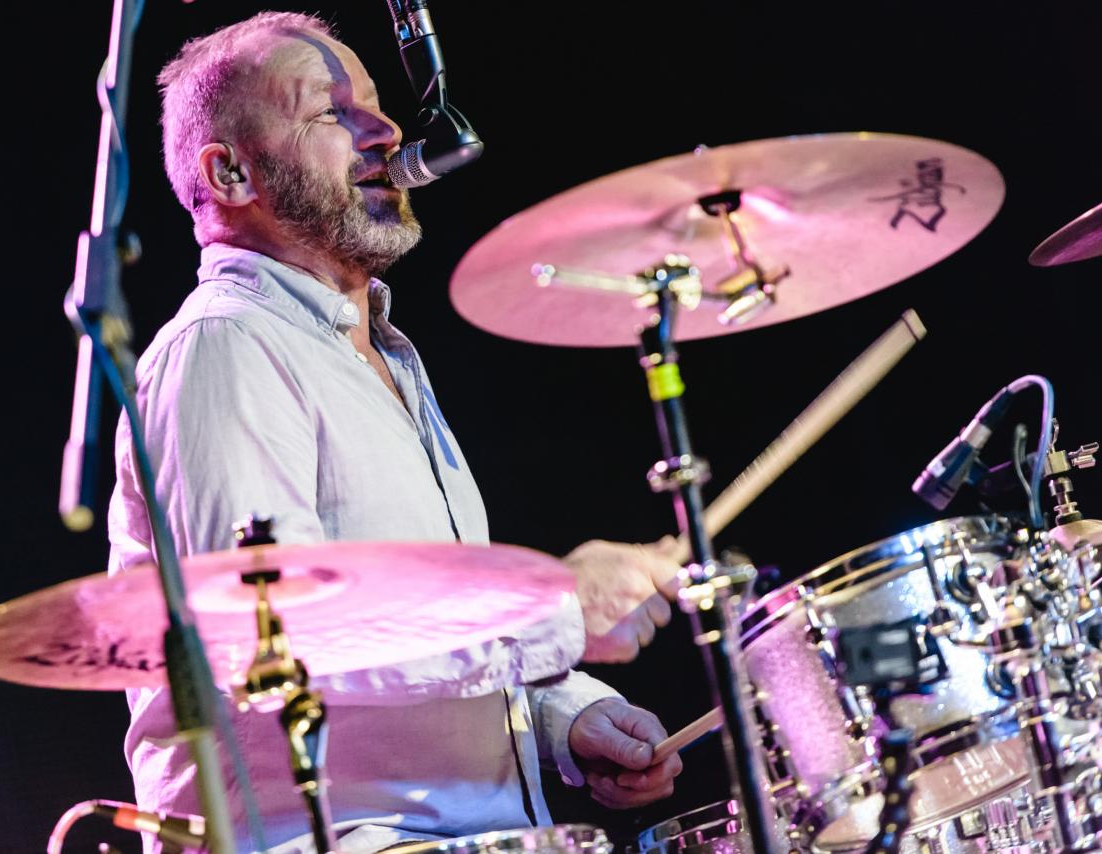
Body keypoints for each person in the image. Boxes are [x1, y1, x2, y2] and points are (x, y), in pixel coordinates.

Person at [107, 11, 683, 853]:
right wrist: (551, 606)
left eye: (375, 105)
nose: (384, 132)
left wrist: (561, 714)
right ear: (229, 172)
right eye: (331, 113)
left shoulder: (377, 353)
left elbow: (412, 652)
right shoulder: (224, 348)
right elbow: (277, 639)